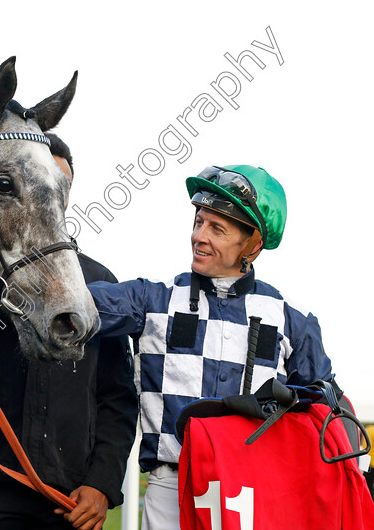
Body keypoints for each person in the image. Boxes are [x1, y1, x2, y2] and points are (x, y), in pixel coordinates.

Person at [86, 164, 339, 530]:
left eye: (216, 228)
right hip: (171, 489)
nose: (198, 236)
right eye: (198, 222)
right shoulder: (150, 300)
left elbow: (326, 419)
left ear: (252, 244)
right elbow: (70, 305)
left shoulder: (292, 323)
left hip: (256, 491)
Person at [0, 133, 139, 530]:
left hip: (71, 501)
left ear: (62, 194)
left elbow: (117, 397)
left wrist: (102, 485)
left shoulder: (99, 283)